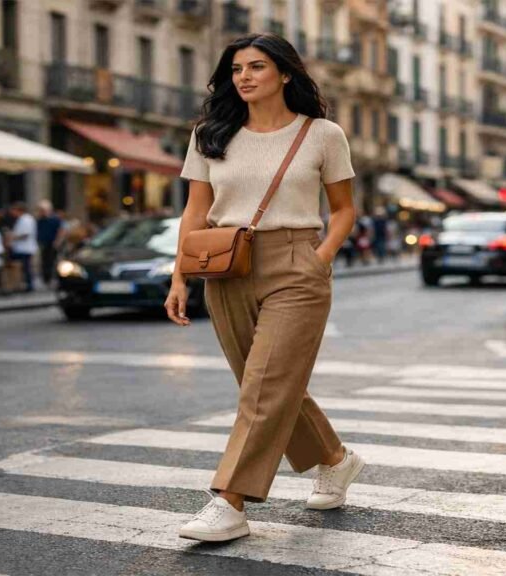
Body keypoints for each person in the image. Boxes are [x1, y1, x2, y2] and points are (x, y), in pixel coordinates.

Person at [166, 32, 361, 543]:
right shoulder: (210, 132)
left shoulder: (322, 134)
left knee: (265, 385)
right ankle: (335, 459)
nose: (244, 77)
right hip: (225, 264)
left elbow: (343, 210)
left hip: (297, 263)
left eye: (256, 67)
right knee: (265, 384)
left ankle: (230, 501)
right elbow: (194, 209)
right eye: (236, 70)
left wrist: (318, 260)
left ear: (285, 74)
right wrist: (180, 274)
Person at [7, 202, 37, 292]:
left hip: (25, 248)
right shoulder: (21, 219)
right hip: (20, 248)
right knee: (24, 267)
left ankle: (29, 285)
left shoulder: (26, 219)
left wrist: (13, 237)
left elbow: (25, 234)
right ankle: (24, 284)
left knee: (26, 267)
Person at [36, 200, 64, 287]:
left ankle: (53, 278)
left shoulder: (55, 219)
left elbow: (61, 231)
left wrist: (58, 241)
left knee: (52, 261)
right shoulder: (40, 220)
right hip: (44, 243)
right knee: (44, 262)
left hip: (53, 243)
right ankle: (46, 279)